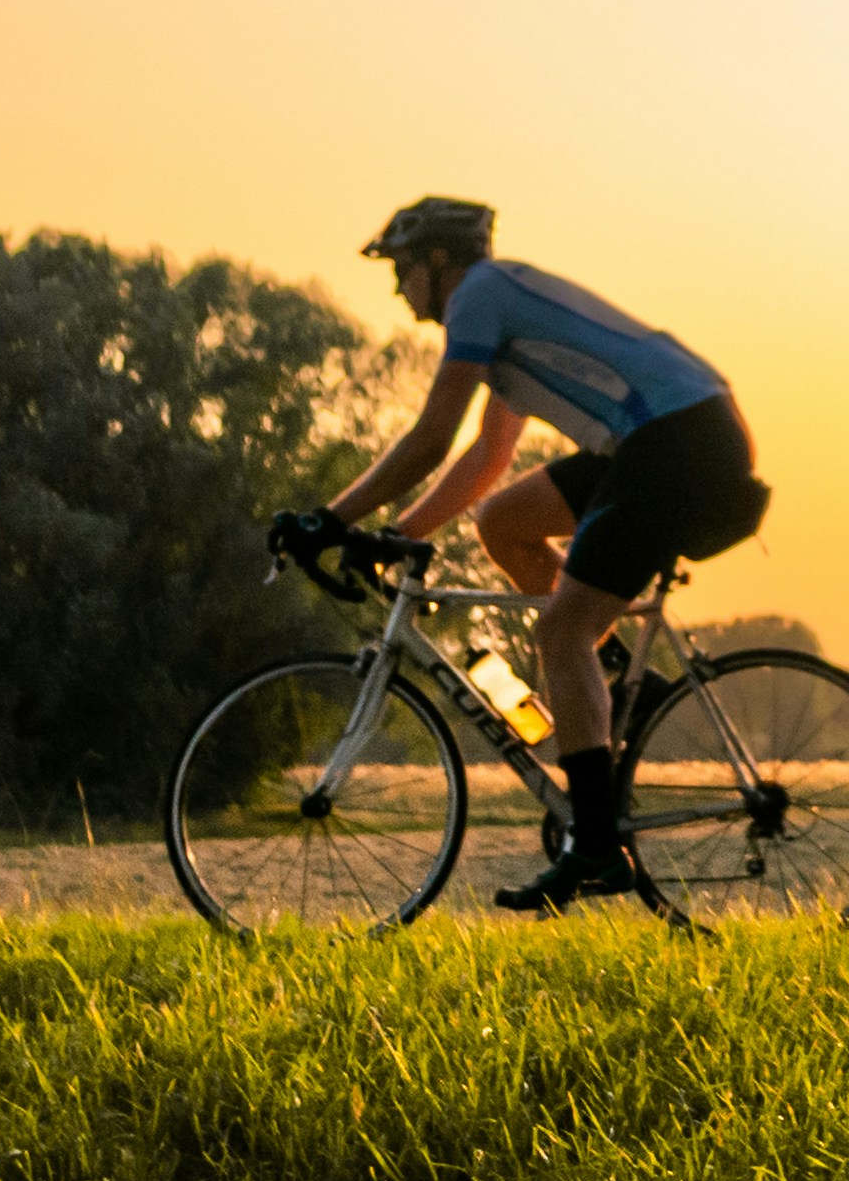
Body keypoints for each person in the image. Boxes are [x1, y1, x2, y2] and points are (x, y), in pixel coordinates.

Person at [283, 196, 768, 913]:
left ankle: (598, 847)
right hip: (669, 434)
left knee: (558, 631)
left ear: (438, 263)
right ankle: (625, 685)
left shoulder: (479, 297)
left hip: (676, 440)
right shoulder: (498, 303)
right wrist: (403, 534)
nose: (396, 286)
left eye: (402, 268)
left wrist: (332, 519)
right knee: (503, 521)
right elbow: (488, 456)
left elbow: (430, 437)